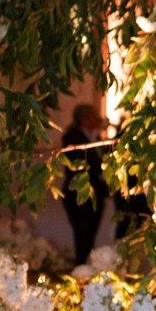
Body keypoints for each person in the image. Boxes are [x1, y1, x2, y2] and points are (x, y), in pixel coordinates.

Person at [58, 102, 108, 265]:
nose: (97, 119)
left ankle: (87, 268)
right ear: (84, 118)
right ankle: (81, 267)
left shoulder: (96, 136)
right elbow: (84, 163)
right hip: (78, 194)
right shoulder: (71, 136)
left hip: (96, 194)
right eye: (93, 115)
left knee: (90, 236)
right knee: (82, 235)